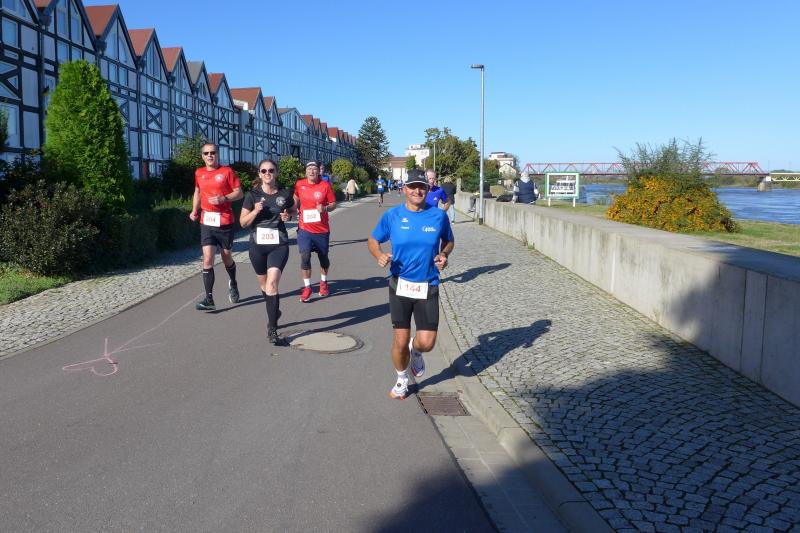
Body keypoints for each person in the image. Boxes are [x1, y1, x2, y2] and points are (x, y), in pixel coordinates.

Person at [368, 168, 455, 400]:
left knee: (427, 342)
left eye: (422, 187)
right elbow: (373, 239)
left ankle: (416, 352)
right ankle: (401, 379)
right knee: (400, 339)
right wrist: (379, 254)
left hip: (428, 283)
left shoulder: (438, 216)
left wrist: (444, 254)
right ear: (405, 189)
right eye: (413, 186)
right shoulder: (393, 216)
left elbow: (449, 241)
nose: (417, 190)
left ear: (427, 189)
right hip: (400, 284)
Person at [239, 159, 296, 345]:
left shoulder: (284, 194)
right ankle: (274, 310)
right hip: (257, 246)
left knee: (272, 284)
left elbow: (294, 211)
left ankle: (272, 329)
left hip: (278, 244)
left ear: (276, 172)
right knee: (264, 287)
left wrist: (288, 216)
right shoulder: (252, 195)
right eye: (263, 171)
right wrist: (255, 211)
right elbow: (243, 223)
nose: (267, 173)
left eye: (271, 170)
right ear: (259, 174)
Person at [189, 142, 244, 311]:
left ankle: (233, 282)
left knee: (227, 257)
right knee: (207, 259)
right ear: (202, 156)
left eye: (212, 152)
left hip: (224, 220)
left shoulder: (227, 171)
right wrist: (194, 210)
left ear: (217, 154)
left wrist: (224, 198)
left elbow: (239, 193)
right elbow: (197, 192)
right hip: (206, 220)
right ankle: (209, 299)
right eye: (206, 153)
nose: (210, 155)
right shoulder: (199, 173)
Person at [294, 161, 337, 302]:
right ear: (306, 172)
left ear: (319, 171)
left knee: (323, 258)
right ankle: (307, 287)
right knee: (305, 256)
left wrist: (325, 208)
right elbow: (295, 200)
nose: (312, 171)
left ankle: (323, 282)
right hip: (304, 228)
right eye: (309, 169)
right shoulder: (299, 184)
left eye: (314, 169)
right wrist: (292, 210)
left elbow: (333, 204)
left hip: (321, 229)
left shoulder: (325, 185)